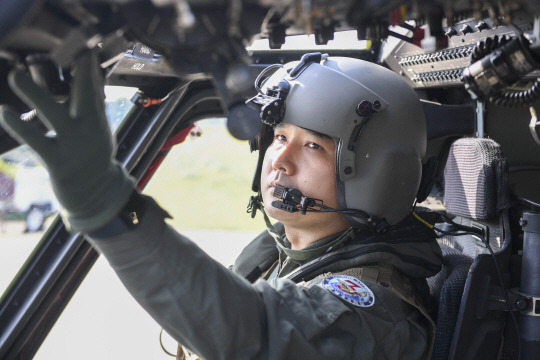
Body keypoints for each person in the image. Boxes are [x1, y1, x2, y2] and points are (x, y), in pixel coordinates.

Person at [0, 50, 442, 360]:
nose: (280, 160)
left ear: (377, 174)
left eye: (312, 147)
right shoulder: (282, 253)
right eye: (280, 137)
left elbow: (259, 336)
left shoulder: (377, 310)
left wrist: (108, 206)